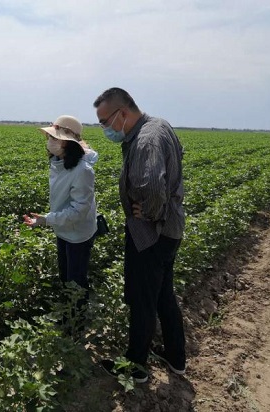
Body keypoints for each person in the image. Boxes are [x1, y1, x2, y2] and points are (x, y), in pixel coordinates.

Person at [93, 87, 186, 383]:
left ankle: (135, 367)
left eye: (105, 122)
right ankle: (175, 356)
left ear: (122, 113)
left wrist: (146, 213)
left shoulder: (145, 139)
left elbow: (154, 188)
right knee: (162, 294)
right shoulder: (159, 125)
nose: (105, 128)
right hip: (171, 229)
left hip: (152, 233)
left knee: (143, 298)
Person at [23, 115, 98, 332]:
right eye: (49, 136)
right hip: (63, 228)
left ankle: (77, 324)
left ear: (68, 143)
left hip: (78, 233)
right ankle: (69, 316)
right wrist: (50, 220)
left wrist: (46, 220)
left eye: (54, 137)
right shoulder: (59, 162)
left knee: (76, 280)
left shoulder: (82, 171)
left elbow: (78, 211)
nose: (49, 140)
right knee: (66, 276)